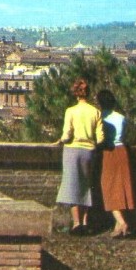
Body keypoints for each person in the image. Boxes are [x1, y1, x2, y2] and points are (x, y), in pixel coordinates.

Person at [55, 78, 103, 235]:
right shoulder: (95, 112)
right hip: (89, 151)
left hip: (72, 150)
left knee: (73, 186)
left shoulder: (71, 111)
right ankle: (85, 221)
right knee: (86, 186)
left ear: (75, 93)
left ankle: (76, 224)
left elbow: (67, 134)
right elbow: (100, 138)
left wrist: (60, 141)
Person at [97, 89, 135, 238]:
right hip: (122, 151)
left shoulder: (100, 117)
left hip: (108, 152)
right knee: (121, 188)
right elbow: (125, 135)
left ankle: (122, 222)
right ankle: (118, 226)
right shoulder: (121, 117)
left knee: (108, 188)